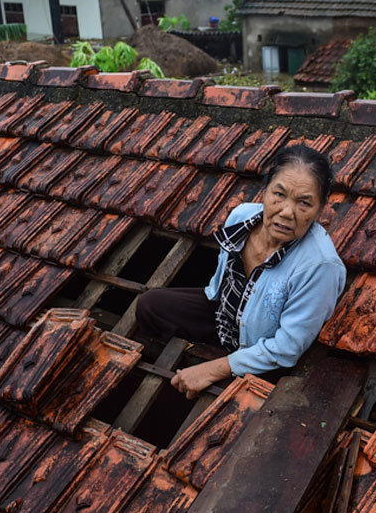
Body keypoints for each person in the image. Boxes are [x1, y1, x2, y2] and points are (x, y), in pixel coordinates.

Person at [135, 145, 346, 398]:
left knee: (237, 405)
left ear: (320, 209)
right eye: (279, 194)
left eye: (304, 203)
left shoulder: (320, 267)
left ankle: (230, 366)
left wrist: (214, 369)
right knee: (150, 305)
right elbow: (219, 286)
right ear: (265, 191)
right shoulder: (242, 217)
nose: (287, 212)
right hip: (225, 317)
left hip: (265, 348)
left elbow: (287, 348)